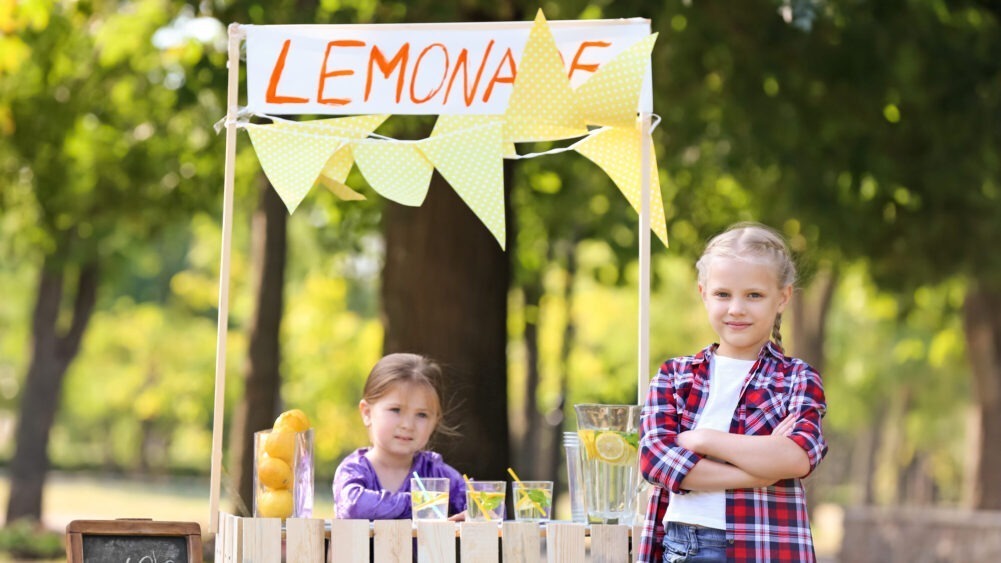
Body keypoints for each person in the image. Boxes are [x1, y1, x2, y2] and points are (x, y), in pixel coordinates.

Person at [638, 222, 828, 562]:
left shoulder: (797, 378)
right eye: (723, 294)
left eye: (754, 295)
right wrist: (761, 471)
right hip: (685, 547)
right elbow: (655, 462)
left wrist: (703, 439)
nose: (736, 308)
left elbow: (797, 457)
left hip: (767, 548)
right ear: (703, 293)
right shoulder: (674, 376)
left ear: (783, 297)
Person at [333, 353, 466, 519]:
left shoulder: (436, 473)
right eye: (396, 410)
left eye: (422, 415)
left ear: (435, 421)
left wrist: (474, 513)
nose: (408, 425)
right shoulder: (354, 470)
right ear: (367, 413)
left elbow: (483, 506)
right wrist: (422, 504)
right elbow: (354, 507)